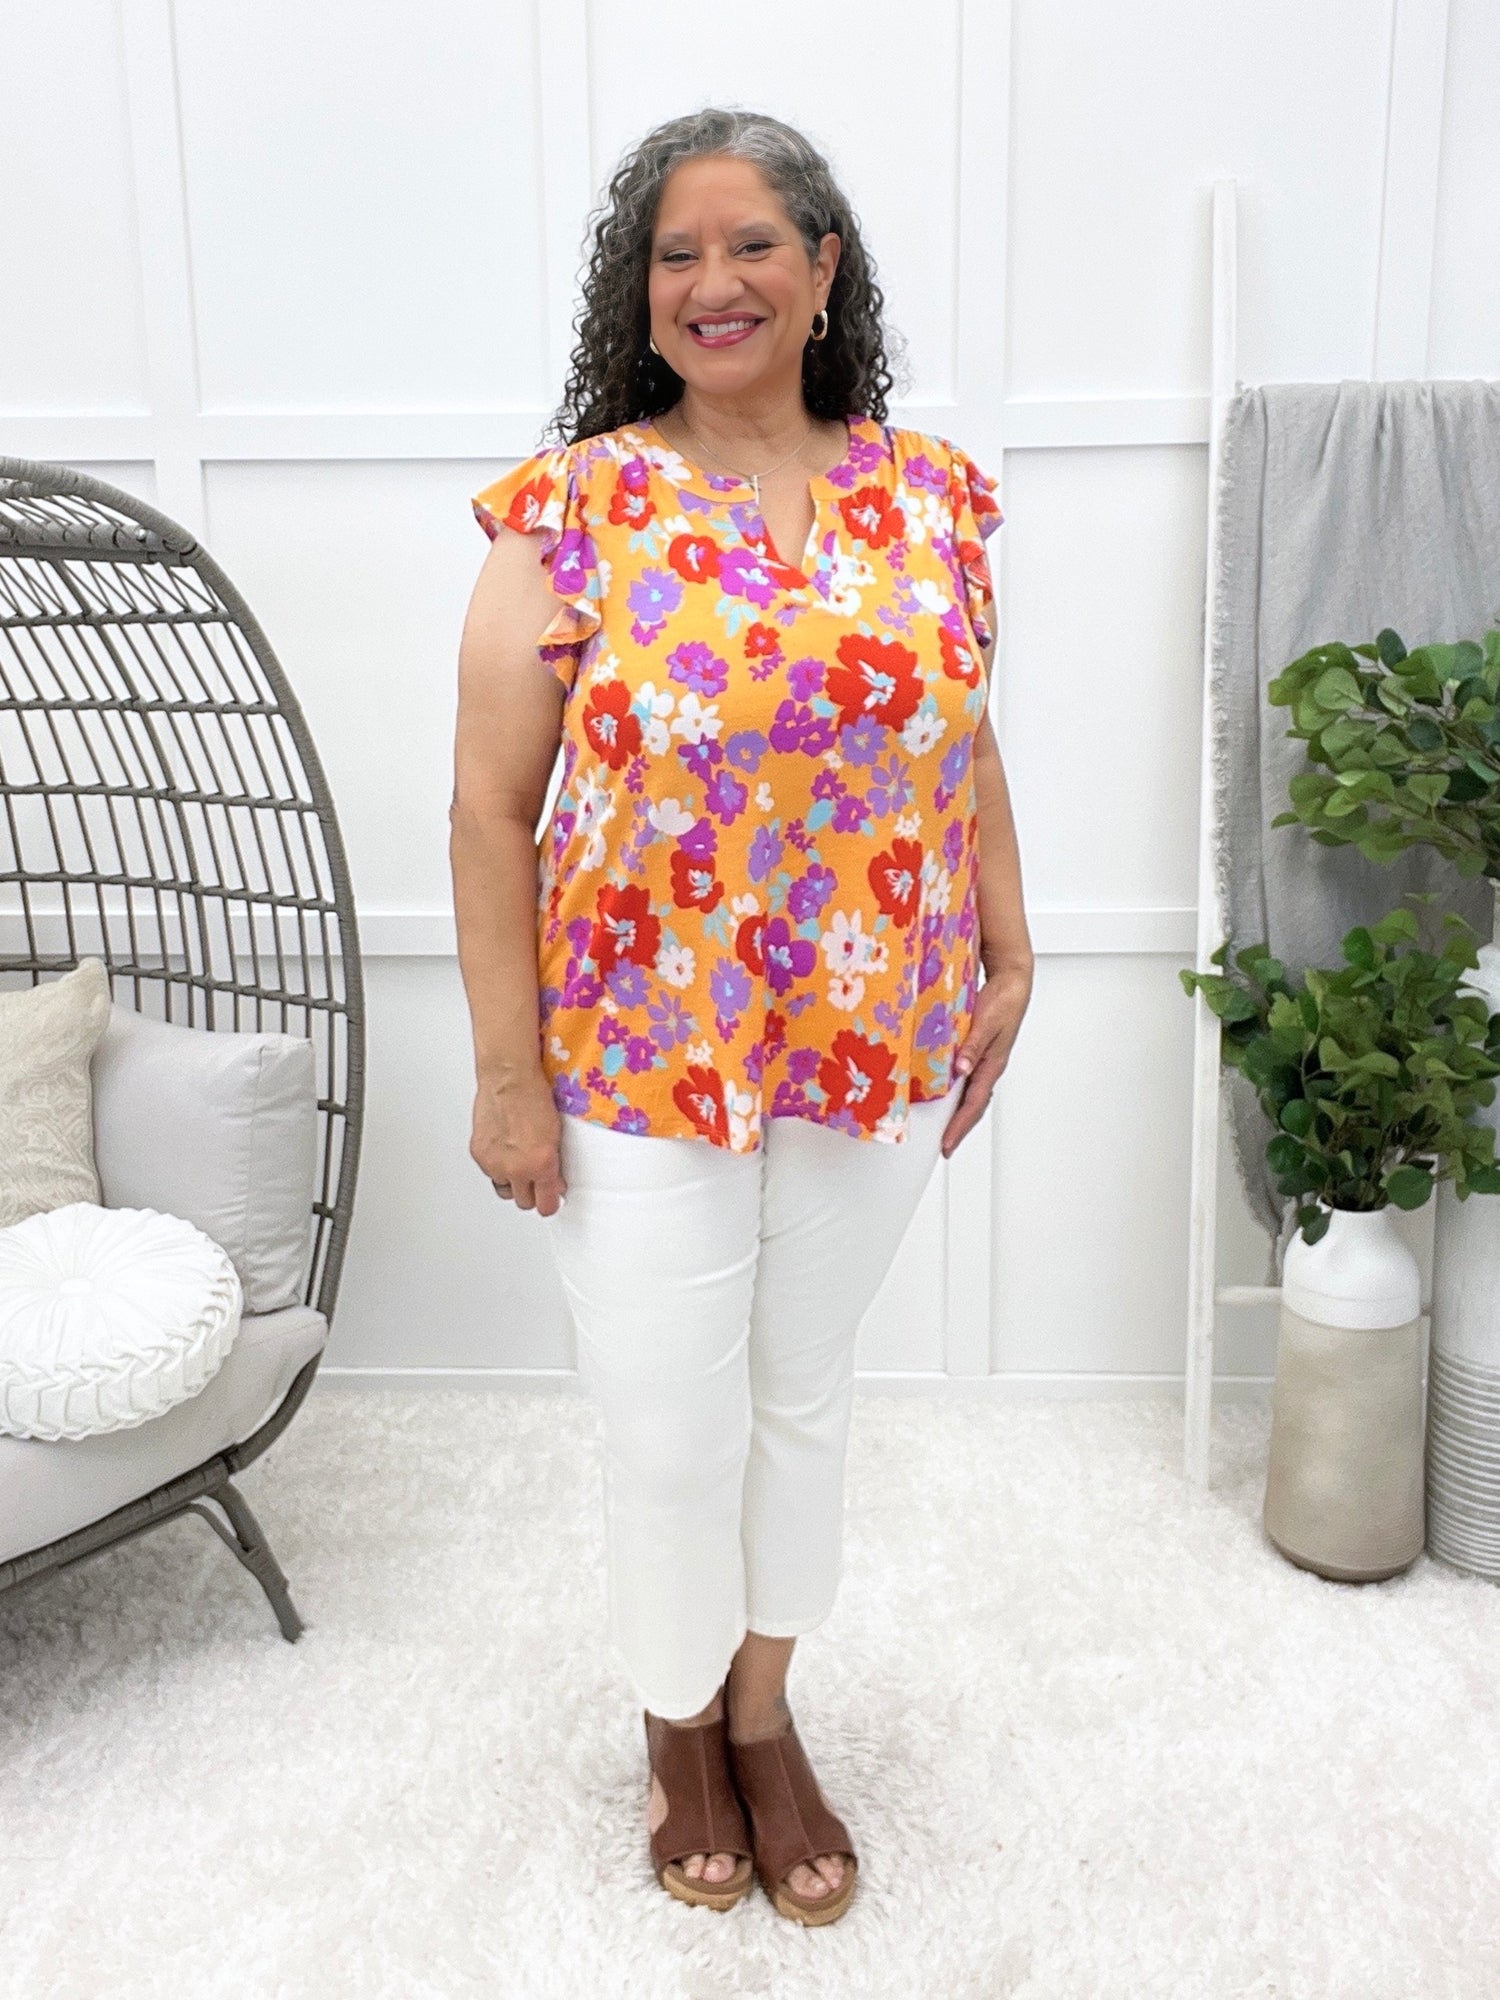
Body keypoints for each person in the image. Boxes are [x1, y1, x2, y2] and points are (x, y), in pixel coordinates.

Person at [450, 106, 1033, 1926]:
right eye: (676, 254)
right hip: (636, 1050)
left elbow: (964, 739)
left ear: (824, 269)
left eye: (753, 243)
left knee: (803, 1398)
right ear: (639, 296)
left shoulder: (933, 496)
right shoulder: (572, 510)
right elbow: (488, 810)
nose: (716, 281)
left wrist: (1014, 953)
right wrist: (507, 1077)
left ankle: (763, 1713)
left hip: (878, 1037)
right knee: (670, 1427)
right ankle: (675, 1720)